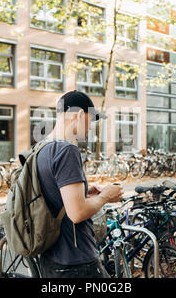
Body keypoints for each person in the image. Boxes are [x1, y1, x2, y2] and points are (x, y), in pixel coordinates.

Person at [36, 90, 124, 278]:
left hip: (51, 259)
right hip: (76, 261)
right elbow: (76, 213)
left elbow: (55, 196)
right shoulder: (67, 150)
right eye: (90, 120)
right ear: (78, 115)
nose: (90, 127)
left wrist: (85, 191)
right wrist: (105, 197)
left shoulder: (42, 148)